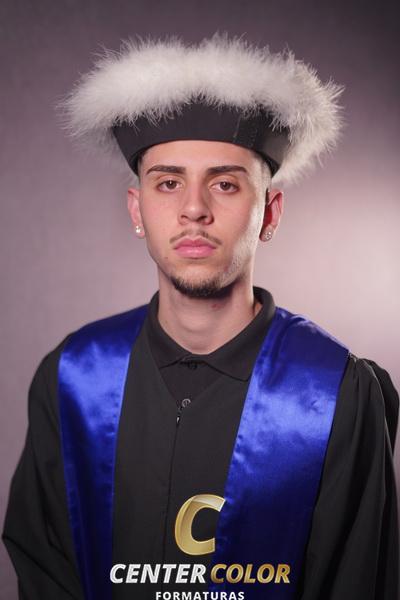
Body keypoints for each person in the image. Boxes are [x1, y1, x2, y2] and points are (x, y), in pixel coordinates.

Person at [2, 33, 399, 600]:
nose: (194, 208)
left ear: (270, 213)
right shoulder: (74, 380)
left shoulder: (334, 395)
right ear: (137, 209)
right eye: (168, 183)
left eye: (225, 184)